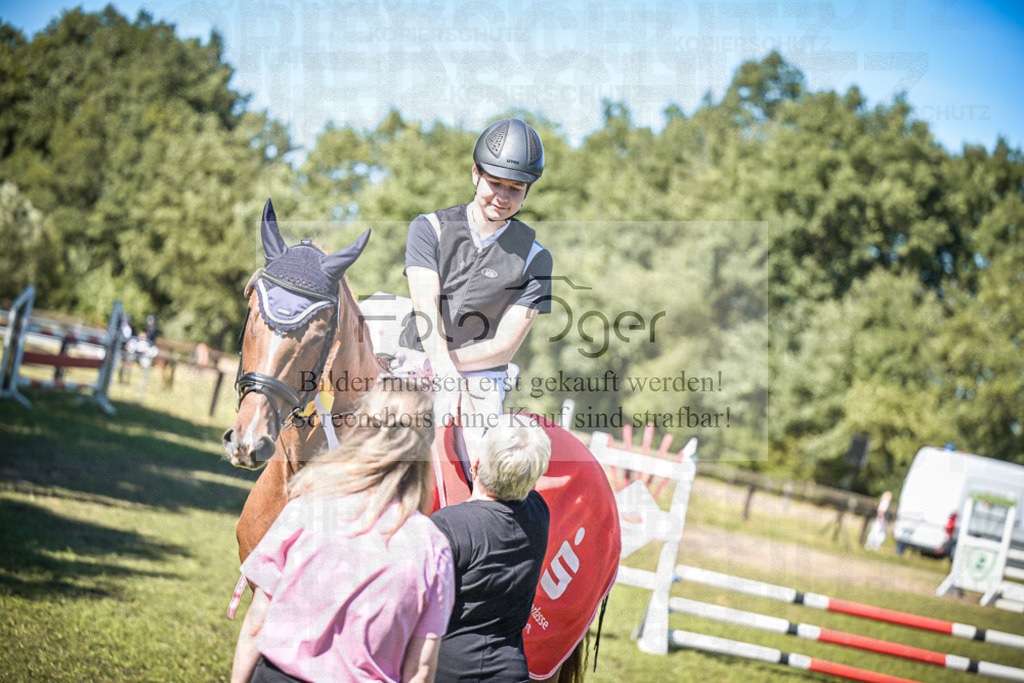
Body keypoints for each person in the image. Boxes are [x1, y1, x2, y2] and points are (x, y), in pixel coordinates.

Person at [231, 381, 454, 683]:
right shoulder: (431, 546)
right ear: (424, 446)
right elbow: (421, 670)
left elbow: (256, 624)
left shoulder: (306, 506)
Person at [400, 118, 553, 432]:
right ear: (476, 174)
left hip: (479, 378)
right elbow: (424, 305)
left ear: (528, 190)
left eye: (515, 189)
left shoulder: (536, 259)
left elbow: (504, 346)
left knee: (478, 457)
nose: (503, 196)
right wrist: (435, 366)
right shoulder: (428, 228)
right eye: (495, 182)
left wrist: (447, 370)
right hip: (415, 359)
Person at [430, 419, 552, 682]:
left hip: (445, 670)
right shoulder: (540, 513)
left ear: (475, 464)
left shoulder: (447, 525)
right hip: (511, 671)